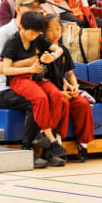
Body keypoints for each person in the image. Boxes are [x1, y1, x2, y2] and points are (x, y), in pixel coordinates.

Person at [0, 11, 69, 165]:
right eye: (31, 33)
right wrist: (28, 69)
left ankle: (44, 134)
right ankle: (51, 140)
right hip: (19, 78)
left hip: (36, 77)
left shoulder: (38, 37)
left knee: (57, 96)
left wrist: (52, 57)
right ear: (22, 27)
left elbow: (59, 50)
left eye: (37, 33)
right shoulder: (12, 42)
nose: (34, 36)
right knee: (40, 98)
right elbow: (6, 70)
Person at [0, 0, 50, 166]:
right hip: (4, 89)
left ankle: (48, 148)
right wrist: (27, 63)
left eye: (38, 7)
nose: (35, 11)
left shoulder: (37, 33)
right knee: (35, 102)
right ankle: (27, 150)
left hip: (28, 82)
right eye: (30, 7)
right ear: (18, 9)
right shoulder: (4, 34)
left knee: (54, 97)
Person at [41, 15, 93, 162]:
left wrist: (75, 87)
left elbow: (70, 74)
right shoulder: (43, 52)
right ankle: (57, 142)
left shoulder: (63, 50)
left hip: (64, 91)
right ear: (44, 33)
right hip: (50, 94)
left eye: (57, 29)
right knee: (62, 103)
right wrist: (60, 93)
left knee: (83, 104)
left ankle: (83, 144)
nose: (55, 33)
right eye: (50, 30)